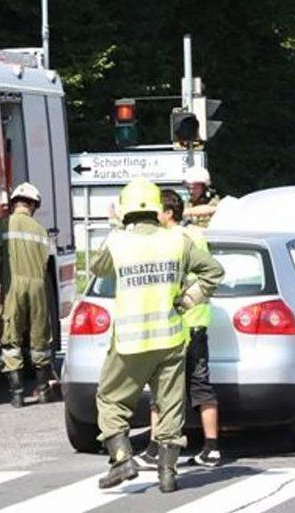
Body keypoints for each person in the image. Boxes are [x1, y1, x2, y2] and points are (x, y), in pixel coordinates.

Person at [91, 178, 222, 493]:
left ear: (126, 209)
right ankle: (168, 473)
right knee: (170, 405)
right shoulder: (177, 241)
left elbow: (97, 267)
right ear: (156, 207)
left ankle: (121, 459)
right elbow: (214, 272)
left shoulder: (118, 241)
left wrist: (115, 228)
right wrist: (187, 300)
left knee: (110, 399)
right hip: (170, 338)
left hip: (130, 342)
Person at [134, 190, 223, 468]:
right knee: (201, 385)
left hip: (175, 324)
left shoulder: (169, 240)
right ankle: (212, 449)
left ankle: (154, 449)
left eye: (157, 211)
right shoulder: (196, 235)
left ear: (168, 213)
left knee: (162, 387)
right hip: (198, 320)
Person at [0, 183, 55, 408]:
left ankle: (16, 394)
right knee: (39, 339)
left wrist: (3, 278)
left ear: (14, 203)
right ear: (33, 205)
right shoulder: (41, 230)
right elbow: (46, 261)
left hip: (13, 285)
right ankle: (43, 390)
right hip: (38, 286)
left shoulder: (3, 225)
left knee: (11, 338)